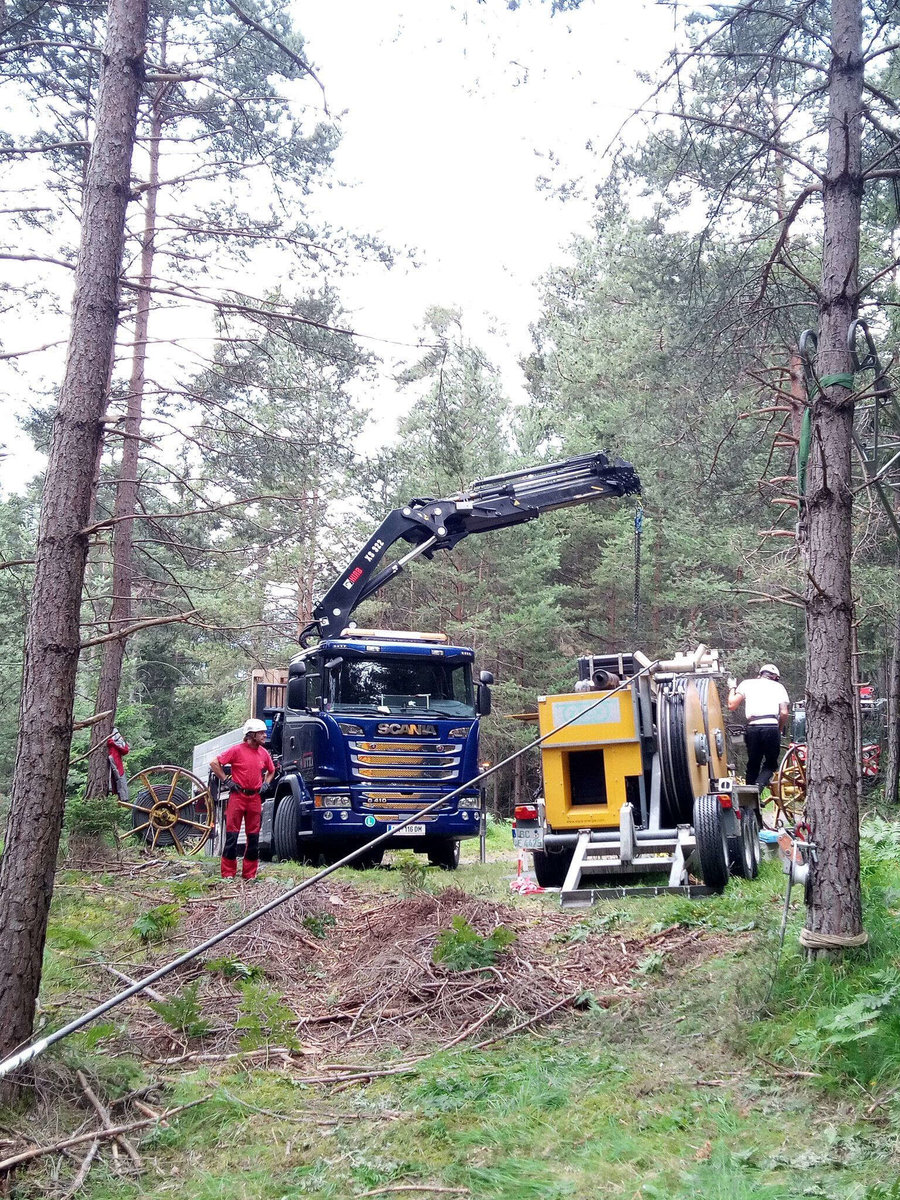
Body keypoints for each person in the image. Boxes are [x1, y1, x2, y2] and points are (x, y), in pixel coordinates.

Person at [209, 717, 275, 881]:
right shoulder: (237, 750)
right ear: (251, 735)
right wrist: (226, 780)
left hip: (254, 798)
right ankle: (228, 873)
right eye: (261, 733)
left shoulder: (263, 753)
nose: (265, 735)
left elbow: (271, 770)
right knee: (232, 836)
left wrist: (266, 784)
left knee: (253, 838)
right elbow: (214, 763)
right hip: (238, 796)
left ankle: (249, 874)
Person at [727, 664, 790, 794]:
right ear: (775, 678)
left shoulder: (746, 684)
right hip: (771, 727)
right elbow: (784, 713)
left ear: (760, 674)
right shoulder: (779, 687)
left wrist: (732, 687)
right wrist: (779, 728)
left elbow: (732, 705)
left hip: (753, 728)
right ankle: (759, 787)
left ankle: (751, 800)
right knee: (771, 764)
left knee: (753, 764)